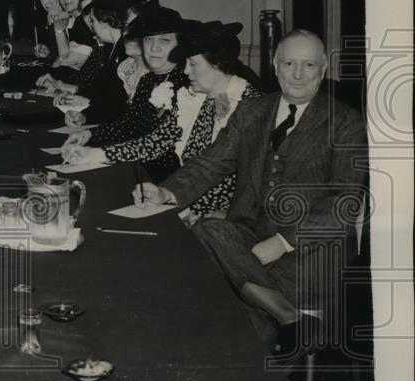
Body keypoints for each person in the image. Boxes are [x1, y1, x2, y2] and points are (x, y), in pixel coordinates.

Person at [132, 30, 368, 355]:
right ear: (275, 65)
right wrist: (164, 193)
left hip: (309, 255)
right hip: (246, 245)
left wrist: (284, 241)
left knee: (223, 308)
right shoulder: (252, 111)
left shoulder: (346, 123)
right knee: (208, 228)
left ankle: (253, 355)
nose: (298, 75)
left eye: (309, 65)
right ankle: (289, 318)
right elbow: (211, 164)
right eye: (289, 64)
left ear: (324, 68)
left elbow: (345, 201)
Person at [64, 19, 264, 202]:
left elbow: (238, 181)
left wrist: (176, 201)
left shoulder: (251, 105)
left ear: (218, 64)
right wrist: (93, 155)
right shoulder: (194, 98)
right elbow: (154, 142)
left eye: (193, 64)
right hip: (184, 199)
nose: (186, 71)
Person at [61, 0, 190, 145]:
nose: (154, 48)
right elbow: (131, 124)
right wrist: (89, 134)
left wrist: (101, 150)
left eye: (164, 40)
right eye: (148, 39)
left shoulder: (185, 82)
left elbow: (157, 141)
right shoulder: (147, 80)